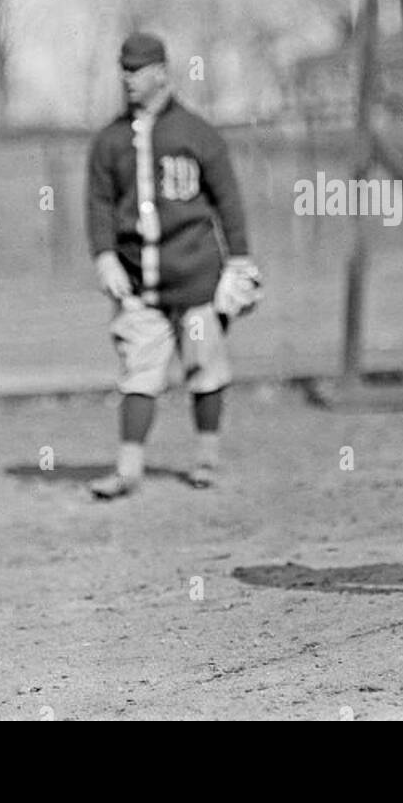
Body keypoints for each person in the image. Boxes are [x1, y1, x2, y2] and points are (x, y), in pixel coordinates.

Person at [85, 32, 261, 498]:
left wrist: (239, 260)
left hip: (198, 278)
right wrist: (104, 255)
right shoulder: (110, 140)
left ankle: (206, 458)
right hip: (139, 281)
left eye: (136, 70)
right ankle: (128, 469)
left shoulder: (197, 133)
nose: (127, 78)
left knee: (205, 368)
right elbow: (99, 204)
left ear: (160, 71)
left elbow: (228, 201)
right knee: (138, 370)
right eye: (122, 69)